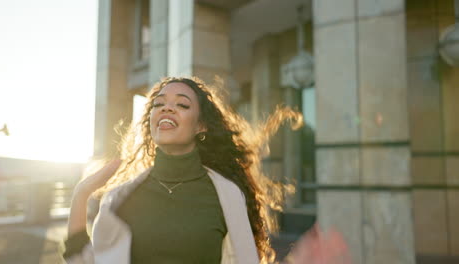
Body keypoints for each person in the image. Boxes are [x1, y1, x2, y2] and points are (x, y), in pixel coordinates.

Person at [60, 76, 351, 264]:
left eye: (182, 105)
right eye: (158, 105)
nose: (166, 109)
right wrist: (80, 195)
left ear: (201, 126)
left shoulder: (226, 195)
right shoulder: (121, 198)